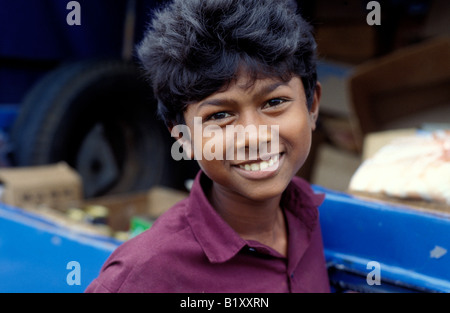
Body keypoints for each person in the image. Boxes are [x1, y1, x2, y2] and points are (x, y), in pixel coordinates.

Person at [85, 0, 330, 293]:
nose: (253, 136)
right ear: (183, 138)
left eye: (274, 102)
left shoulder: (310, 215)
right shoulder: (146, 273)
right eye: (220, 115)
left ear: (312, 105)